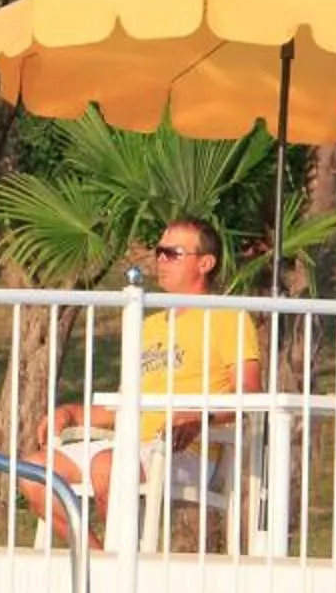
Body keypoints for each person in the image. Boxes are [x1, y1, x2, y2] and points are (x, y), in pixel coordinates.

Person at [20, 219, 266, 548]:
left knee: (107, 465)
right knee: (34, 471)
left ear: (206, 263)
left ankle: (120, 567)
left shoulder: (229, 317)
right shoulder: (148, 325)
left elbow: (248, 394)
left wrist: (199, 416)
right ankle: (98, 561)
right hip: (129, 447)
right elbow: (125, 403)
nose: (160, 260)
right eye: (159, 252)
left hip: (188, 449)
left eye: (172, 253)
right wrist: (73, 413)